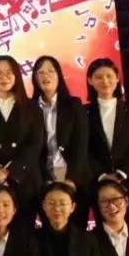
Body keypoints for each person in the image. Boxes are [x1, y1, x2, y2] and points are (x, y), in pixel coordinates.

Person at [85, 57, 129, 230]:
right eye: (98, 77)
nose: (105, 81)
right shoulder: (84, 112)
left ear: (117, 78)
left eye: (109, 76)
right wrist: (102, 175)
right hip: (99, 183)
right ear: (90, 81)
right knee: (106, 231)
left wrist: (121, 173)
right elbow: (84, 149)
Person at [0, 56, 44, 223]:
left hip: (24, 179)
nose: (4, 77)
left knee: (24, 229)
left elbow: (34, 144)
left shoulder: (32, 108)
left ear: (17, 75)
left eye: (9, 73)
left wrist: (10, 171)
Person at [31, 56, 90, 225]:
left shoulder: (74, 105)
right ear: (34, 78)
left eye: (51, 71)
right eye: (40, 72)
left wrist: (72, 178)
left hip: (72, 176)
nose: (46, 76)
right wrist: (41, 180)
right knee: (50, 229)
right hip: (43, 177)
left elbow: (81, 144)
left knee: (76, 228)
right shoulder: (29, 108)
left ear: (59, 75)